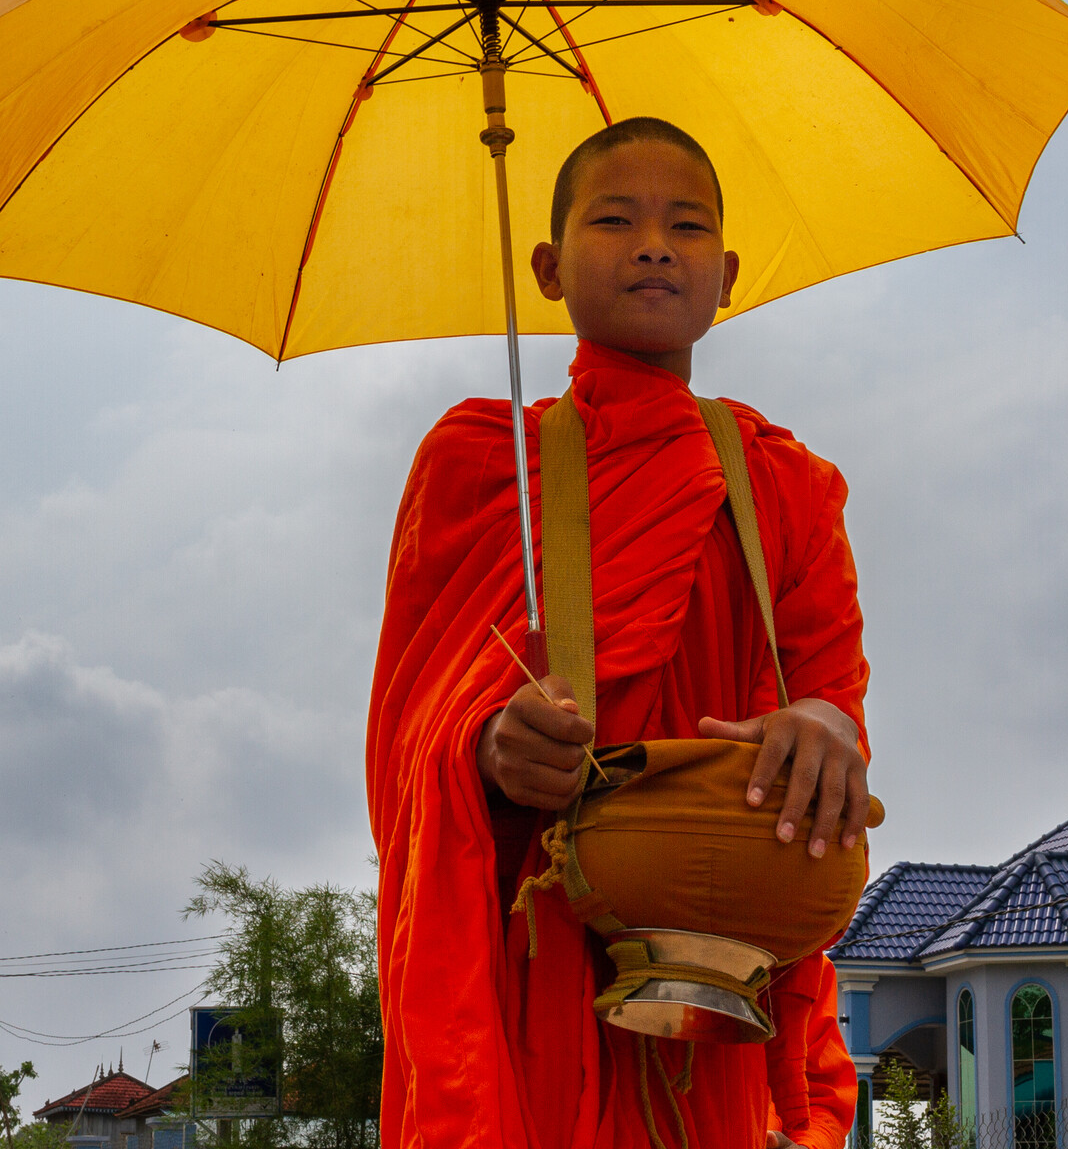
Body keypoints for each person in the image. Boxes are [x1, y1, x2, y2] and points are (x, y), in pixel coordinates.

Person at [367, 117, 874, 1149]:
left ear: (725, 273)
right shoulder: (477, 464)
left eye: (684, 225)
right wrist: (488, 744)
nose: (653, 244)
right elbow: (406, 735)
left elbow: (832, 693)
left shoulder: (787, 484)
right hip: (536, 954)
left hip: (724, 958)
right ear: (547, 266)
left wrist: (821, 722)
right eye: (615, 219)